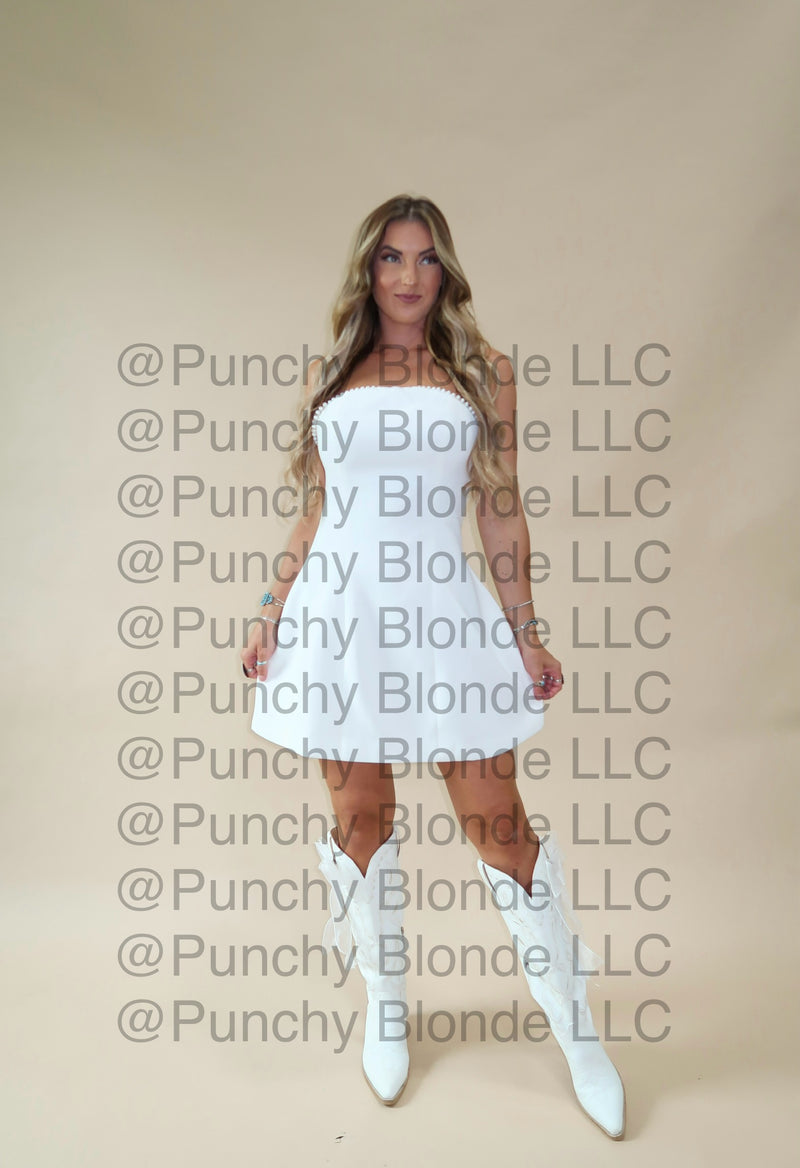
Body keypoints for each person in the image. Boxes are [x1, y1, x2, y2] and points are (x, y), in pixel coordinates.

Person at [240, 194, 626, 1139]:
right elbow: (315, 515)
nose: (407, 276)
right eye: (390, 258)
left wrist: (526, 632)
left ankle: (577, 1031)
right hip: (340, 618)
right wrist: (270, 613)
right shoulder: (332, 375)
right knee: (360, 819)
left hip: (443, 617)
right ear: (367, 271)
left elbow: (500, 509)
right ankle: (387, 1006)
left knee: (500, 824)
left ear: (445, 271)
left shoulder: (483, 374)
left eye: (424, 258)